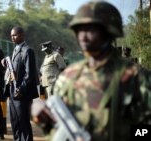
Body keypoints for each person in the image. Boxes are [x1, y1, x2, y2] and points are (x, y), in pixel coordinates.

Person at [53, 1, 151, 141]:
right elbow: (57, 129)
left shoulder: (137, 78)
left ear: (109, 32)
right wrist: (46, 123)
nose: (83, 36)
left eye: (91, 30)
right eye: (80, 30)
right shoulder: (68, 77)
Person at [2, 26, 39, 141]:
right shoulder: (16, 49)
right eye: (11, 35)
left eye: (15, 35)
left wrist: (21, 89)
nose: (12, 37)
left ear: (22, 35)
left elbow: (29, 74)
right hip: (13, 91)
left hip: (22, 93)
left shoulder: (27, 50)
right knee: (15, 121)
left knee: (23, 121)